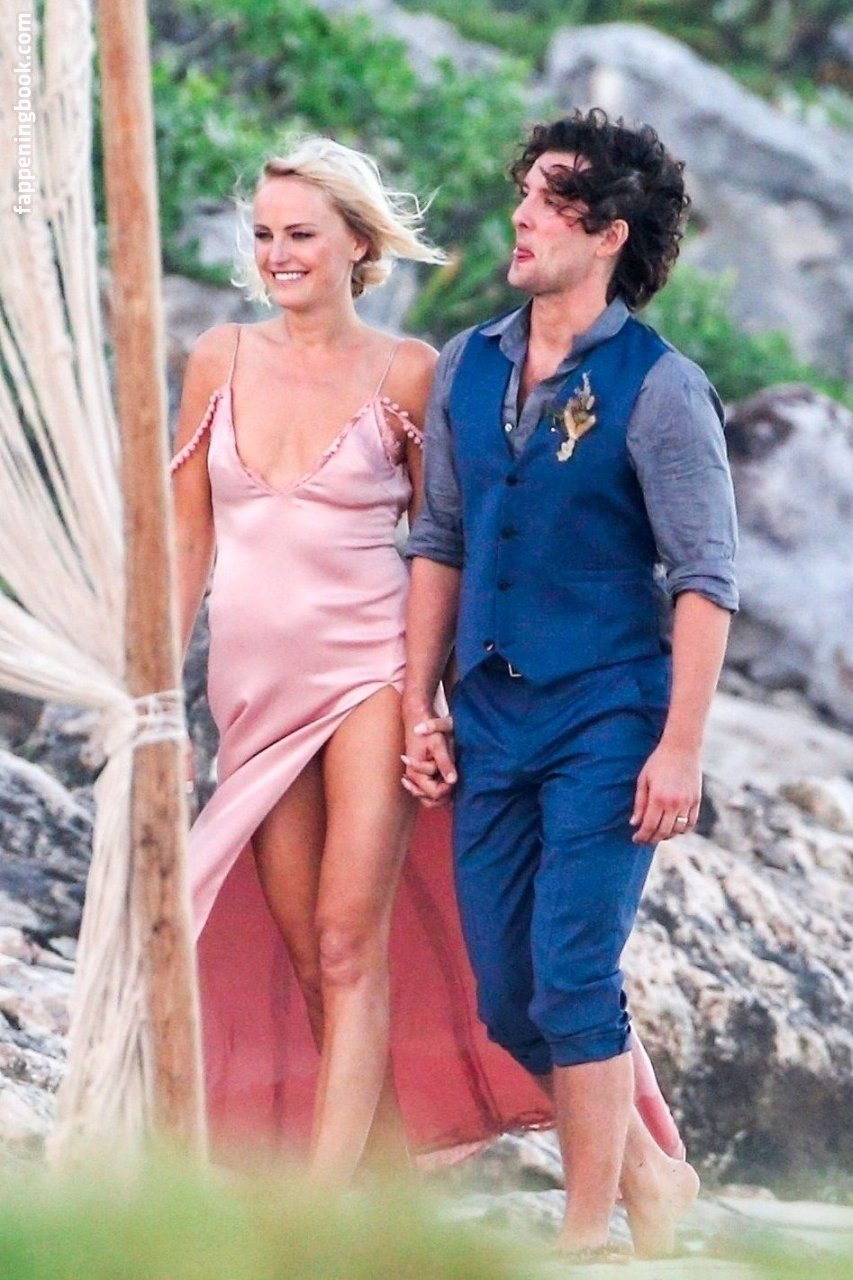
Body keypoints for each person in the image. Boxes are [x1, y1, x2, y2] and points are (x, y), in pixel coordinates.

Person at [169, 136, 557, 1184]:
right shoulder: (216, 358)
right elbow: (187, 541)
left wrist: (433, 700)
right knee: (306, 951)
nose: (277, 255)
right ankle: (386, 1194)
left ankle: (321, 1209)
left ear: (356, 243)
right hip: (250, 697)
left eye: (300, 234)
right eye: (263, 235)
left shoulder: (406, 371)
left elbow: (444, 546)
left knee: (347, 941)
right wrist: (154, 690)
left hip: (369, 676)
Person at [403, 108, 738, 1259]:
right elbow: (438, 540)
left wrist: (679, 746)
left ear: (607, 232)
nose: (520, 218)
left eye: (549, 202)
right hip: (491, 714)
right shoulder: (468, 362)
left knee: (574, 974)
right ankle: (651, 1173)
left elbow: (705, 578)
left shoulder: (661, 386)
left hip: (609, 713)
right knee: (507, 996)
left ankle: (585, 1233)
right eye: (525, 195)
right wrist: (418, 700)